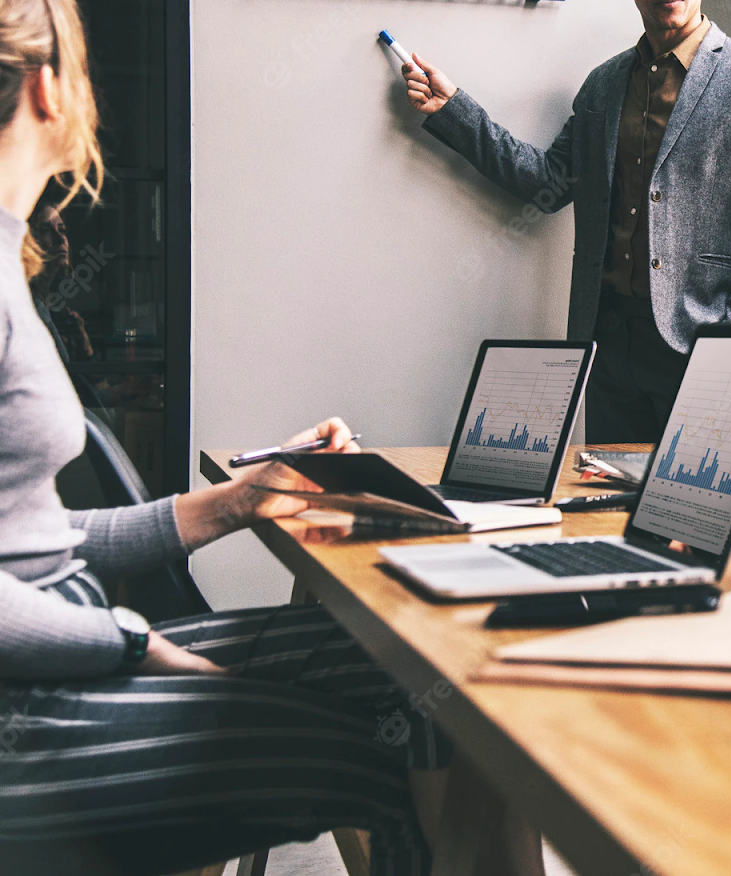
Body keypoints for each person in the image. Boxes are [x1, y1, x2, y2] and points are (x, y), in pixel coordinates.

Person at [0, 2, 447, 872]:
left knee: (414, 667)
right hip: (31, 707)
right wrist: (139, 647)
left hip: (63, 653)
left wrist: (247, 497)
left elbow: (30, 544)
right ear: (52, 89)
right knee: (374, 760)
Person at [403, 0, 731, 443]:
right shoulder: (603, 85)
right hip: (607, 344)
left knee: (700, 506)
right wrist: (455, 110)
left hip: (702, 340)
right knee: (607, 505)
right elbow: (549, 181)